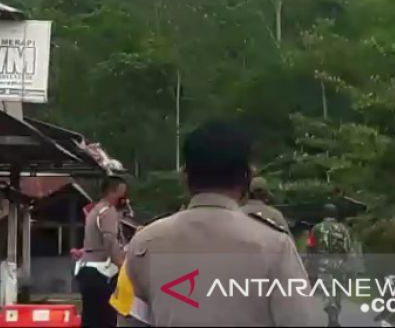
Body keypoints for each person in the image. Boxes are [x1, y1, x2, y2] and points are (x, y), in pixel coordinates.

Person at [120, 121, 324, 326]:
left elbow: (130, 320)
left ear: (184, 177)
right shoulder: (274, 245)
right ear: (248, 176)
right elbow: (301, 320)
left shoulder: (144, 243)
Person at [77, 177, 128, 327]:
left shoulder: (95, 210)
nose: (124, 197)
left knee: (90, 319)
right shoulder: (108, 211)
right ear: (113, 192)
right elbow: (110, 242)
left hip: (87, 270)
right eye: (122, 193)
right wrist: (122, 266)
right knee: (106, 319)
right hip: (102, 273)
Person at [308, 204, 353, 327]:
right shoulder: (343, 229)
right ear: (335, 214)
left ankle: (332, 316)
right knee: (338, 290)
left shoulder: (316, 228)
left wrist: (311, 264)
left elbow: (311, 247)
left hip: (323, 262)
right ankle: (335, 316)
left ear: (324, 214)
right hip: (339, 262)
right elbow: (348, 248)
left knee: (328, 290)